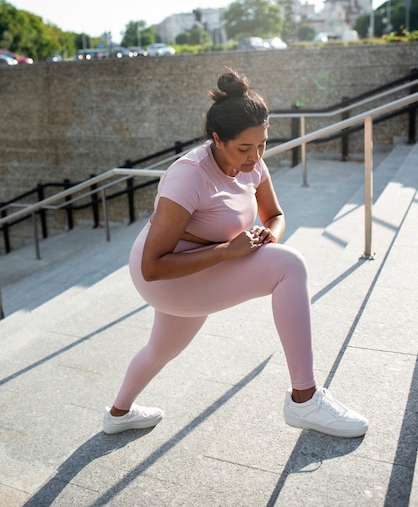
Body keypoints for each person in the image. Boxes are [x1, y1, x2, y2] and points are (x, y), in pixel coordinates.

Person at [103, 68, 368, 438]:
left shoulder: (253, 164)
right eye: (245, 148)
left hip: (202, 265)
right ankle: (304, 400)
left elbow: (274, 215)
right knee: (290, 265)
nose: (255, 157)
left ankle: (117, 414)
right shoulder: (189, 176)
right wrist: (230, 250)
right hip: (167, 277)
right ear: (217, 139)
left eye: (262, 144)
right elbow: (152, 266)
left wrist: (267, 238)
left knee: (161, 349)